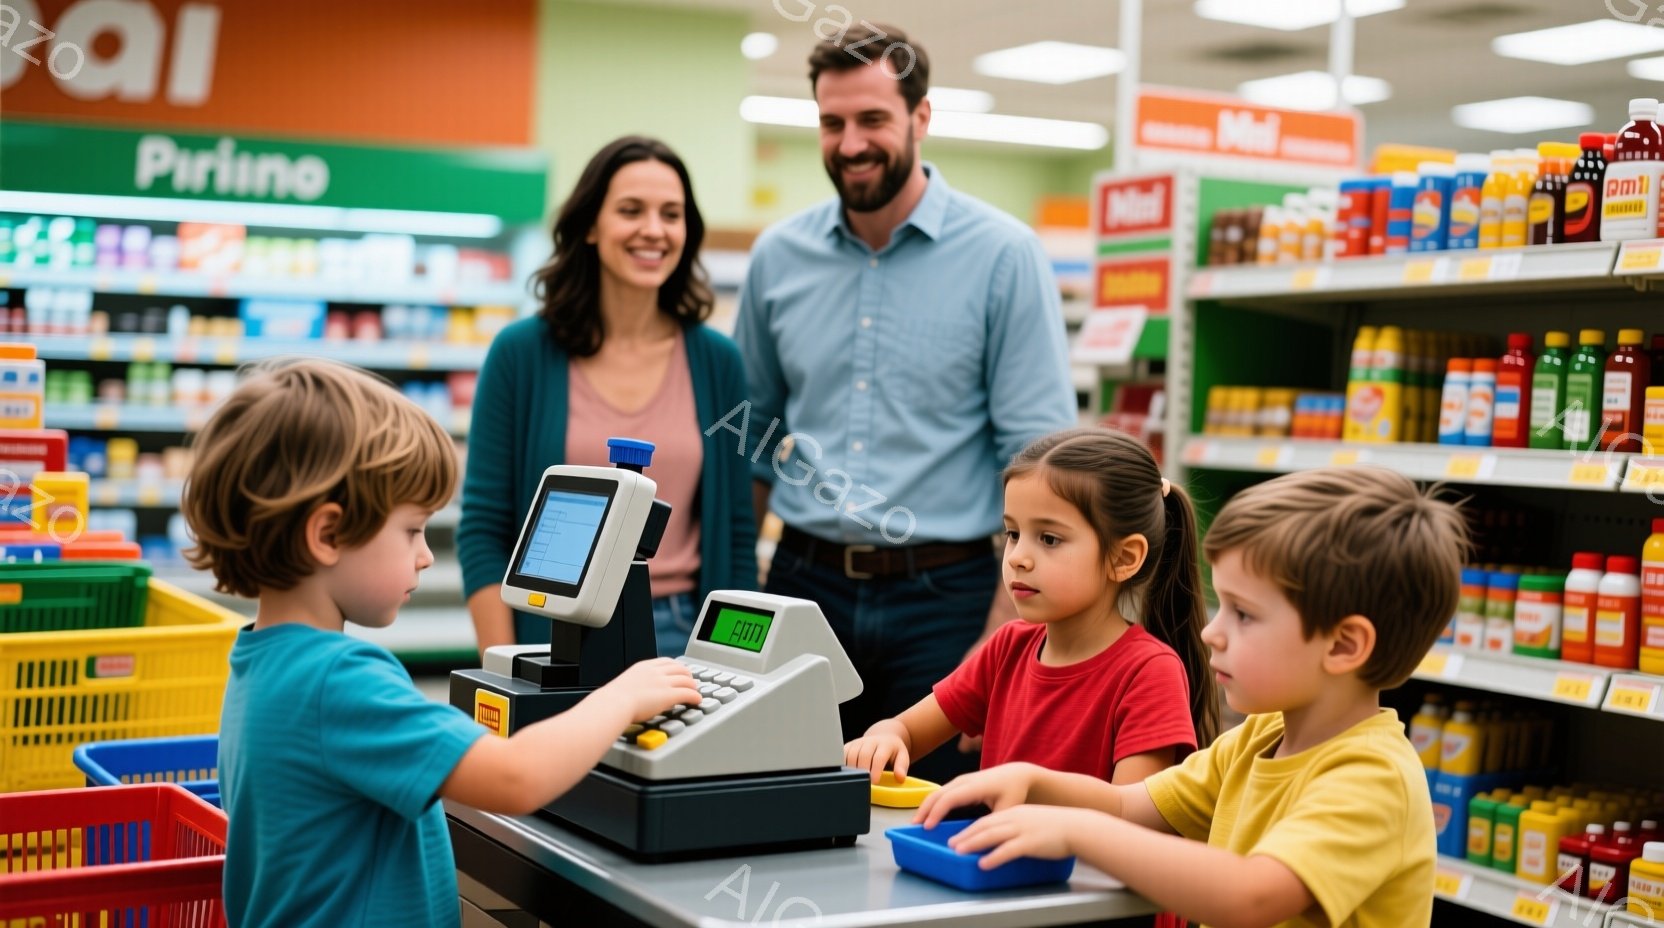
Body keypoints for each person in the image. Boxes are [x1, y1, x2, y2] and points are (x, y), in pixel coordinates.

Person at [182, 360, 701, 928]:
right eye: (411, 530)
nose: (426, 555)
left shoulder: (258, 660)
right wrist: (622, 696)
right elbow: (514, 777)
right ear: (327, 534)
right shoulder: (338, 679)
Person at [732, 23, 1076, 783]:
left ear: (922, 119)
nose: (850, 143)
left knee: (929, 813)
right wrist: (736, 597)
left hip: (945, 596)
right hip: (802, 586)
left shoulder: (1004, 257)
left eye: (873, 121)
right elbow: (751, 437)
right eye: (832, 123)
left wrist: (1004, 650)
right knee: (780, 797)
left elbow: (1037, 466)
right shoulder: (777, 259)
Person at [914, 467, 1470, 928]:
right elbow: (1133, 805)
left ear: (1345, 644)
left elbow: (1251, 896)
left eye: (1245, 615)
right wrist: (1033, 782)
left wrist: (1074, 829)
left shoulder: (1371, 778)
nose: (1211, 632)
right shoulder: (1259, 738)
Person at [460, 136, 757, 659]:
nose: (653, 229)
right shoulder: (522, 354)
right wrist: (501, 666)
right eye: (630, 210)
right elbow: (484, 527)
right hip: (551, 634)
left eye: (672, 213)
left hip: (684, 634)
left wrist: (731, 663)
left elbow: (735, 529)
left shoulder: (717, 363)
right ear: (591, 226)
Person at [844, 428, 1216, 787]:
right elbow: (905, 729)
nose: (1018, 558)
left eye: (1049, 539)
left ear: (1124, 558)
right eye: (1013, 534)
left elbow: (1132, 820)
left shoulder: (1149, 673)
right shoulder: (1008, 646)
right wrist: (885, 737)